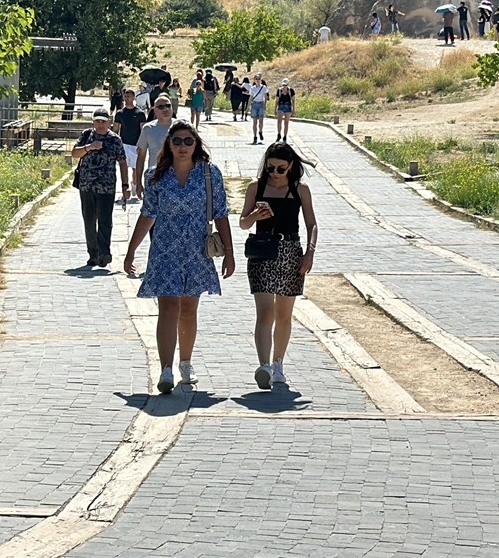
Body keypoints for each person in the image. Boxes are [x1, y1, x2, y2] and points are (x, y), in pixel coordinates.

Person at [123, 123, 234, 394]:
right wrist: (131, 250)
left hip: (197, 250)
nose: (182, 146)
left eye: (188, 141)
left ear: (196, 144)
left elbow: (221, 213)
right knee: (169, 307)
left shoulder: (209, 174)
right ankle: (166, 369)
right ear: (169, 145)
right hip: (165, 250)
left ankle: (186, 362)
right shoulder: (155, 176)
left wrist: (229, 253)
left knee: (188, 309)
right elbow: (148, 214)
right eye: (177, 141)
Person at [238, 142, 317, 389]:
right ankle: (264, 366)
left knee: (283, 315)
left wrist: (309, 254)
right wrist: (255, 217)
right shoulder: (256, 187)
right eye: (270, 168)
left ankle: (278, 363)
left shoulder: (300, 190)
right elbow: (242, 223)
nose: (275, 173)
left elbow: (312, 224)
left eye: (281, 169)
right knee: (265, 312)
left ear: (291, 166)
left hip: (290, 252)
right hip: (262, 252)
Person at [72, 107, 130, 267]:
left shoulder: (115, 139)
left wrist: (125, 185)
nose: (100, 124)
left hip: (107, 187)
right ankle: (93, 254)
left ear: (109, 123)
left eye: (103, 121)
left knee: (105, 221)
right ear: (93, 122)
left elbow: (123, 162)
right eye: (97, 121)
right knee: (89, 220)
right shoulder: (86, 135)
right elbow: (74, 153)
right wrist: (89, 147)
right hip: (87, 185)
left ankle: (104, 252)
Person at [135, 95, 175, 198]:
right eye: (161, 107)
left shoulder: (182, 126)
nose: (165, 109)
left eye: (168, 106)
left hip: (178, 177)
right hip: (156, 177)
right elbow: (141, 157)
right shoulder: (148, 129)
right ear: (155, 110)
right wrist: (138, 183)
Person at [113, 89, 145, 178]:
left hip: (136, 144)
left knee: (135, 168)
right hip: (124, 144)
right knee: (124, 167)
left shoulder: (140, 113)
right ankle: (125, 185)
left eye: (129, 97)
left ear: (133, 98)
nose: (127, 99)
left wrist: (142, 144)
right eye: (125, 97)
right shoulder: (120, 113)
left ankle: (134, 185)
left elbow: (143, 130)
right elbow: (115, 129)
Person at [248, 73, 269, 144]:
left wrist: (265, 104)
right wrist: (248, 106)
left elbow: (266, 96)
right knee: (254, 122)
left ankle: (260, 131)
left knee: (261, 120)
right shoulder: (252, 88)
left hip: (261, 104)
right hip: (254, 104)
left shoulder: (263, 87)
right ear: (254, 80)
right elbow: (250, 97)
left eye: (259, 79)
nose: (257, 80)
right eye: (256, 79)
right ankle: (255, 136)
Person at [275, 78, 295, 142]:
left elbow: (293, 101)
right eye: (283, 85)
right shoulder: (279, 90)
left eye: (285, 85)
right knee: (279, 121)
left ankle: (285, 136)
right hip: (281, 105)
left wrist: (293, 110)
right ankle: (279, 134)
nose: (284, 86)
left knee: (286, 122)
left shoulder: (291, 91)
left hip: (288, 106)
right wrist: (275, 109)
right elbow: (277, 100)